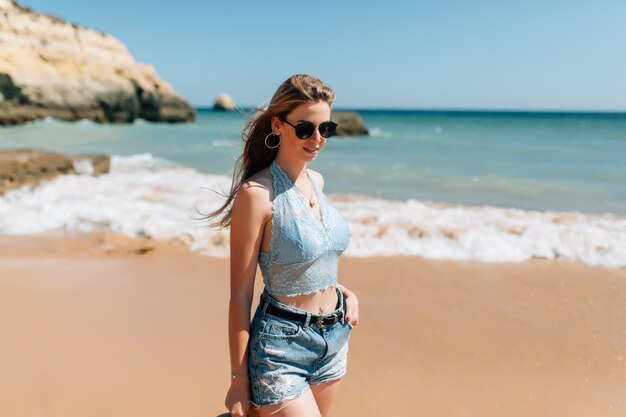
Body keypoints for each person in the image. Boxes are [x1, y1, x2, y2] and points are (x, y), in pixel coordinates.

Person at [202, 74, 360, 417]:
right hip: (280, 348)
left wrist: (344, 292)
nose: (317, 139)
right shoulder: (256, 196)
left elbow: (315, 256)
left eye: (326, 129)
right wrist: (239, 380)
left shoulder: (317, 182)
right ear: (277, 125)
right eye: (305, 129)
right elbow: (241, 295)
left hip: (334, 339)